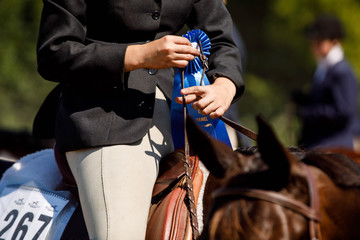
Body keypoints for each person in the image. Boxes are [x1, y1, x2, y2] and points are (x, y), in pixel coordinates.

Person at [35, 0, 244, 239]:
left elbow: (221, 40)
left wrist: (224, 86)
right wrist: (139, 55)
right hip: (107, 120)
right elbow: (54, 52)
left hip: (185, 114)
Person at [292, 15, 359, 150]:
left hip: (335, 143)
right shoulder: (322, 69)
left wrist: (308, 113)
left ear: (334, 40)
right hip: (317, 141)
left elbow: (344, 111)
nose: (314, 45)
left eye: (319, 40)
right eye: (313, 41)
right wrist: (304, 99)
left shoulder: (342, 72)